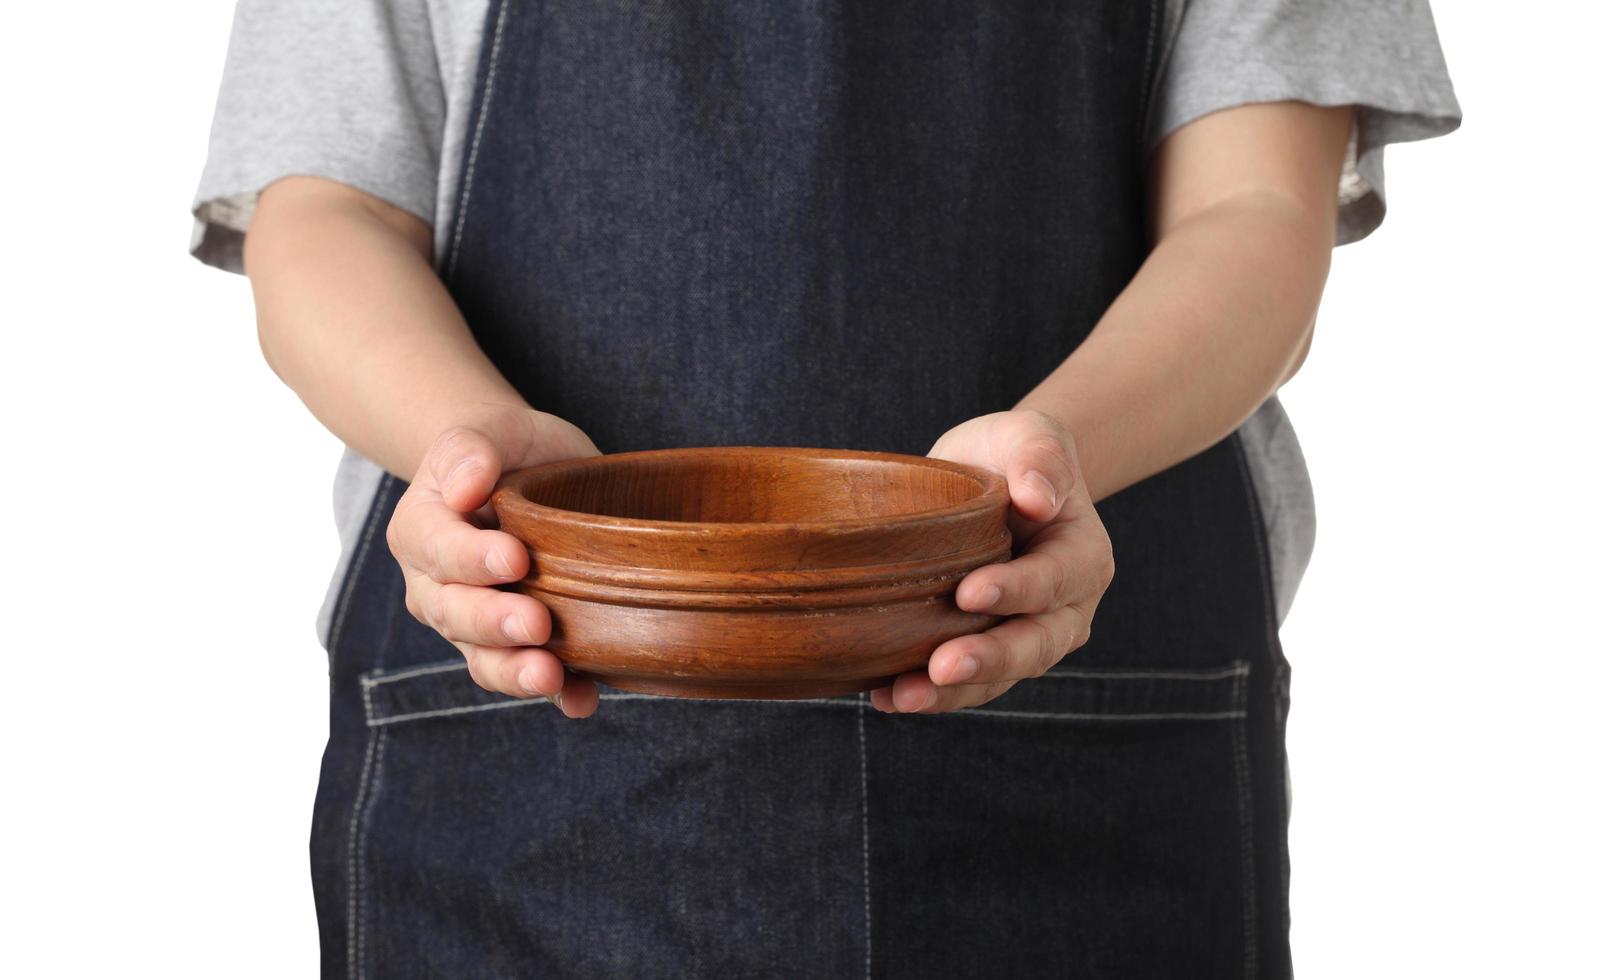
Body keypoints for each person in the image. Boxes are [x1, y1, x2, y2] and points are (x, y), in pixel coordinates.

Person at [193, 0, 1459, 975]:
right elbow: (328, 208)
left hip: (1081, 745)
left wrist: (1050, 453)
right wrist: (464, 440)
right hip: (515, 761)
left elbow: (1252, 208)